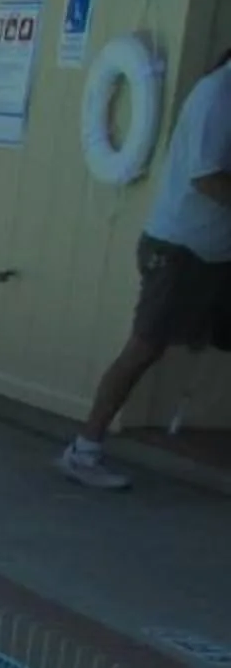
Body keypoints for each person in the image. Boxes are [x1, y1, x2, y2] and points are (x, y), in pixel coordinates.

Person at [61, 44, 231, 488]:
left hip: (216, 253)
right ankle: (84, 448)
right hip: (179, 251)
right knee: (144, 348)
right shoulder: (218, 95)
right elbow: (207, 177)